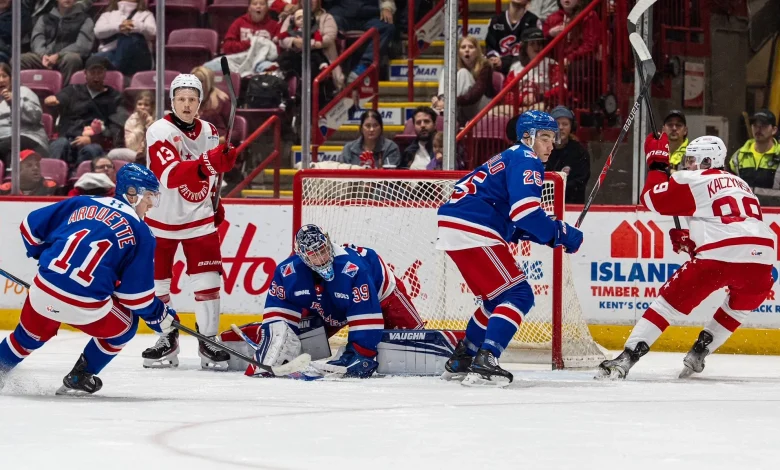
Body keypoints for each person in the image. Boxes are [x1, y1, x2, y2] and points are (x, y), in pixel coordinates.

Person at [597, 134, 776, 379]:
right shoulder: (741, 184)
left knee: (666, 305)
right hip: (763, 259)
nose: (687, 164)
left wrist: (657, 164)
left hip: (719, 256)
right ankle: (700, 352)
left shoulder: (694, 178)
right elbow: (736, 225)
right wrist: (693, 240)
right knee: (737, 310)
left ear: (707, 160)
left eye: (692, 159)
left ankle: (626, 358)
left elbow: (651, 199)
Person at [0, 164, 177, 395]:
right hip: (85, 307)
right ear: (132, 193)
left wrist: (44, 255)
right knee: (126, 326)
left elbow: (29, 228)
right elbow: (135, 299)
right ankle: (81, 375)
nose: (152, 204)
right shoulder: (142, 232)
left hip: (43, 292)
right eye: (150, 196)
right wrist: (159, 316)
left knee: (27, 337)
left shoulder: (82, 202)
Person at [436, 110, 583, 387]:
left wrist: (551, 236)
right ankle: (487, 360)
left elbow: (515, 223)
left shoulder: (510, 157)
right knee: (519, 294)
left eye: (553, 138)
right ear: (527, 137)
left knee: (495, 300)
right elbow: (526, 213)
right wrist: (560, 232)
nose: (551, 145)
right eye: (545, 137)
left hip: (458, 224)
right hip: (473, 225)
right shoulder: (527, 158)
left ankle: (464, 358)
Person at [141, 73, 238, 370]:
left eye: (192, 99)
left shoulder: (210, 130)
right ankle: (167, 337)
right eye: (181, 99)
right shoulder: (159, 130)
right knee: (157, 284)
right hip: (160, 219)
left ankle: (208, 340)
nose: (186, 104)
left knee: (208, 282)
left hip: (199, 218)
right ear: (172, 101)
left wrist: (215, 200)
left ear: (199, 103)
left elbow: (212, 175)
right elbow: (169, 175)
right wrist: (209, 162)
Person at [239, 225, 424, 378]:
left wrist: (362, 354)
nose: (321, 258)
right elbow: (278, 316)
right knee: (291, 341)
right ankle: (249, 337)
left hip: (382, 296)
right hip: (328, 303)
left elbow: (367, 317)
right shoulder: (288, 273)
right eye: (314, 254)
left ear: (328, 243)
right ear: (302, 256)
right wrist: (272, 339)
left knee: (416, 343)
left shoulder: (352, 270)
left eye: (323, 250)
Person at [44, 55, 123, 167]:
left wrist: (93, 139)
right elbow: (60, 98)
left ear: (105, 73)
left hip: (93, 142)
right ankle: (52, 177)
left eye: (99, 73)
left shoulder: (115, 97)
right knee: (59, 144)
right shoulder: (73, 90)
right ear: (85, 73)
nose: (96, 77)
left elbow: (114, 128)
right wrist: (52, 99)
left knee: (92, 150)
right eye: (92, 73)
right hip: (68, 138)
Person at [20, 0, 95, 85]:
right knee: (20, 60)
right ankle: (24, 91)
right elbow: (37, 38)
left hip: (65, 56)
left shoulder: (85, 19)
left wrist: (58, 55)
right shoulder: (44, 18)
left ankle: (65, 92)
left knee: (73, 59)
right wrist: (43, 55)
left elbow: (83, 46)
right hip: (44, 56)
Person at [328, 0, 396, 83]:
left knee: (387, 27)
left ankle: (364, 66)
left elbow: (387, 1)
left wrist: (387, 8)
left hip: (370, 16)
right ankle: (333, 70)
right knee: (327, 23)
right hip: (342, 15)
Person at [431, 36, 493, 124]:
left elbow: (476, 94)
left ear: (477, 51)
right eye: (463, 47)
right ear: (459, 52)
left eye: (471, 47)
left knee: (463, 72)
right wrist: (436, 98)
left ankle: (444, 106)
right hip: (461, 106)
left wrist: (450, 101)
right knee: (447, 69)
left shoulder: (485, 65)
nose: (467, 50)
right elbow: (448, 87)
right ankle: (443, 103)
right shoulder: (456, 66)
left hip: (482, 106)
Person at [502, 27, 564, 113]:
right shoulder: (515, 67)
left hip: (542, 105)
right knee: (492, 112)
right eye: (532, 44)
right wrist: (522, 99)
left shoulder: (552, 64)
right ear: (525, 47)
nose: (537, 47)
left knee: (539, 108)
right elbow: (505, 94)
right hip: (519, 106)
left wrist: (539, 97)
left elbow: (561, 89)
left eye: (539, 43)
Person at [0, 62, 50, 165]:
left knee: (10, 146)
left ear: (11, 78)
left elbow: (35, 117)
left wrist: (15, 101)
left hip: (28, 137)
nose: (1, 80)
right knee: (7, 150)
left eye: (4, 76)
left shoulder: (23, 92)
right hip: (3, 140)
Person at [93, 0, 155, 76]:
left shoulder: (146, 14)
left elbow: (153, 33)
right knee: (95, 59)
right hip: (110, 54)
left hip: (138, 57)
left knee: (130, 38)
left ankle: (116, 70)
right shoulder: (107, 15)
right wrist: (119, 27)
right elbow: (98, 32)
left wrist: (134, 25)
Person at [544, 106, 590, 203]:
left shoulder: (580, 152)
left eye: (565, 124)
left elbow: (580, 182)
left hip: (571, 206)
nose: (560, 128)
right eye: (557, 124)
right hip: (545, 206)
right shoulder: (541, 150)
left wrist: (557, 187)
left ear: (571, 127)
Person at [485, 0, 540, 75]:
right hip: (497, 70)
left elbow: (532, 53)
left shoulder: (533, 21)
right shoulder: (495, 20)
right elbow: (490, 46)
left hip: (523, 70)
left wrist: (504, 62)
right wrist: (493, 58)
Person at [728, 109, 780, 189]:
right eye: (755, 125)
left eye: (764, 125)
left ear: (774, 130)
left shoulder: (778, 155)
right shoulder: (739, 156)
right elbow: (729, 187)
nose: (758, 129)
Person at [107, 90, 154, 161]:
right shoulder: (130, 121)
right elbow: (131, 146)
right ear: (135, 106)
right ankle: (141, 158)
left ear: (152, 107)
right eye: (139, 104)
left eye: (146, 105)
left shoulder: (158, 118)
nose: (142, 107)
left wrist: (150, 125)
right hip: (135, 152)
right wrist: (140, 126)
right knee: (112, 153)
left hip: (154, 151)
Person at [191, 66, 231, 139]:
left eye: (200, 81)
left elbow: (234, 131)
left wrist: (220, 140)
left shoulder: (222, 101)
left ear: (208, 82)